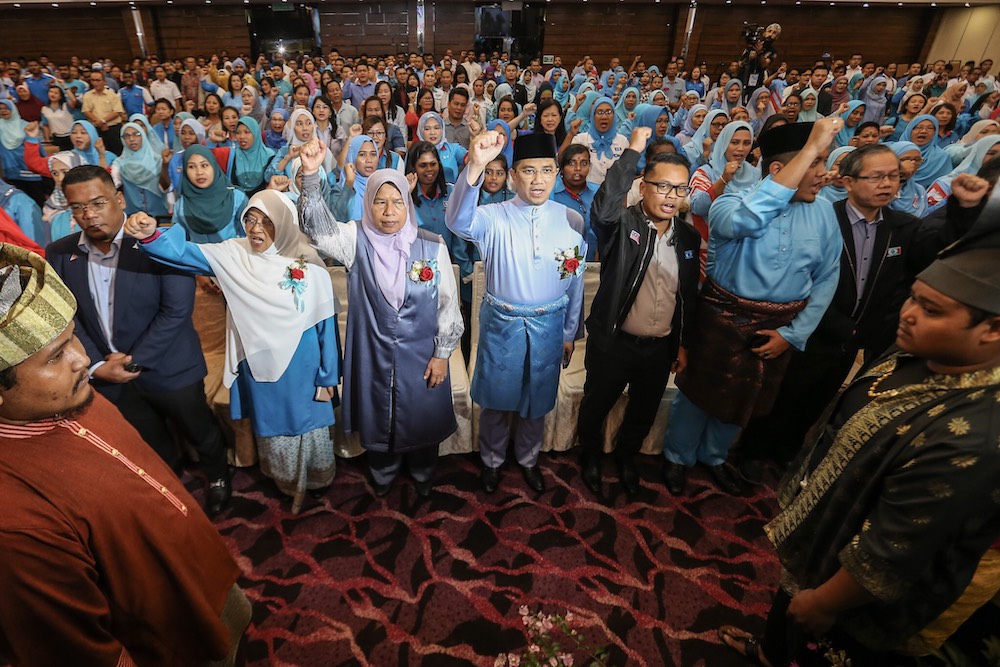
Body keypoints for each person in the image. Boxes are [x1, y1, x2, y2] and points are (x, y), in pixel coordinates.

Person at [718, 190, 1000, 666]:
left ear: (991, 330)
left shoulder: (975, 432)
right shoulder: (923, 352)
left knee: (823, 648)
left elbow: (891, 550)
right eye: (913, 299)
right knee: (786, 624)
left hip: (854, 595)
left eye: (931, 311)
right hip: (827, 540)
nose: (908, 314)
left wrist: (828, 600)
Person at [0, 243, 250, 666]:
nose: (83, 360)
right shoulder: (14, 524)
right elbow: (76, 649)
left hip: (205, 576)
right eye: (56, 355)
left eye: (72, 337)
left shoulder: (72, 395)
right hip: (166, 640)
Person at [738, 146, 986, 484]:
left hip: (857, 337)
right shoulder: (824, 217)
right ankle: (751, 453)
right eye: (876, 176)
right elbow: (800, 276)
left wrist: (964, 209)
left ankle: (786, 452)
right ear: (848, 181)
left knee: (818, 399)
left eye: (894, 176)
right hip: (813, 329)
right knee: (784, 394)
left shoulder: (904, 227)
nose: (887, 184)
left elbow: (934, 257)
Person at [124, 189, 340, 514]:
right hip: (260, 364)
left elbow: (327, 330)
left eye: (267, 222)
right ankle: (286, 486)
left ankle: (318, 482)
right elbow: (183, 254)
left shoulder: (311, 269)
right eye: (250, 220)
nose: (255, 229)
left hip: (305, 367)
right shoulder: (233, 255)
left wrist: (328, 375)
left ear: (284, 224)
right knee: (276, 434)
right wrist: (151, 235)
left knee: (311, 430)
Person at [661, 120, 842, 496]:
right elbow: (746, 220)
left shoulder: (824, 213)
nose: (823, 174)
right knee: (697, 397)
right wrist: (808, 149)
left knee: (747, 399)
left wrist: (793, 335)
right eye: (815, 163)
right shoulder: (731, 203)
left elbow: (827, 279)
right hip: (722, 320)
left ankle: (713, 457)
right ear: (778, 170)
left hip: (778, 329)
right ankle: (677, 458)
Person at [47, 164, 232, 515]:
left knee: (199, 429)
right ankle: (169, 481)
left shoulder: (157, 242)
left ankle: (219, 477)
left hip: (169, 366)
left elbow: (176, 311)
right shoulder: (60, 253)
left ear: (119, 200)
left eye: (98, 203)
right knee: (147, 439)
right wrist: (100, 366)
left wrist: (132, 362)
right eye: (78, 208)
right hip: (109, 375)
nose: (89, 215)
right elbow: (67, 316)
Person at [297, 139, 463, 497]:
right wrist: (311, 175)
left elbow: (449, 304)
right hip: (372, 354)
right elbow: (317, 231)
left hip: (422, 356)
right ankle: (383, 470)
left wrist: (442, 354)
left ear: (408, 203)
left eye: (397, 201)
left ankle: (422, 470)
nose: (389, 211)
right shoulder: (354, 238)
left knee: (421, 412)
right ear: (368, 203)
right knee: (378, 412)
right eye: (379, 201)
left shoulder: (432, 244)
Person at [446, 131, 586, 494]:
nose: (538, 180)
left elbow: (574, 283)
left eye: (546, 170)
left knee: (536, 401)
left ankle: (527, 459)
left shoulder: (571, 220)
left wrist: (570, 332)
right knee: (496, 402)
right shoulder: (492, 217)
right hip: (502, 326)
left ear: (556, 173)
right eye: (528, 171)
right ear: (513, 176)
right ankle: (492, 460)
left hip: (550, 326)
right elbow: (457, 222)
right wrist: (475, 167)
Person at [577, 127, 700, 497]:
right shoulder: (623, 225)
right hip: (615, 342)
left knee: (643, 411)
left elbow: (687, 297)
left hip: (659, 348)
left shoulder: (689, 237)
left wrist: (683, 343)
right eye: (662, 186)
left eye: (680, 189)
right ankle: (590, 457)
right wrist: (632, 151)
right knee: (597, 404)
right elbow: (603, 206)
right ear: (643, 185)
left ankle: (627, 458)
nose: (671, 196)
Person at [173, 145, 248, 243]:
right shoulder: (181, 205)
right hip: (196, 257)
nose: (199, 172)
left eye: (204, 165)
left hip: (233, 256)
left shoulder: (236, 198)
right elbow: (178, 242)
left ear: (214, 166)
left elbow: (249, 236)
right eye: (191, 167)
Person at [550, 144, 599, 261]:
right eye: (571, 163)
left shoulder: (598, 192)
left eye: (583, 163)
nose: (578, 168)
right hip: (559, 262)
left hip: (594, 260)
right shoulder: (551, 195)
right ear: (562, 167)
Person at [82, 69, 126, 155]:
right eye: (93, 80)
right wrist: (99, 123)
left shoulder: (112, 95)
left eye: (98, 80)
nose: (95, 83)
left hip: (113, 129)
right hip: (97, 129)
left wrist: (103, 121)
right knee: (100, 153)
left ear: (104, 81)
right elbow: (86, 111)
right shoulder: (87, 95)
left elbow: (117, 111)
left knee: (118, 152)